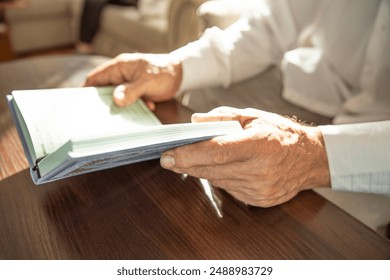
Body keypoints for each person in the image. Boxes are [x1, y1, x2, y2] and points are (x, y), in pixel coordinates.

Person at [84, 0, 390, 207]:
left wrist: (314, 157)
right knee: (203, 98)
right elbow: (270, 26)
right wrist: (175, 68)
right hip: (326, 83)